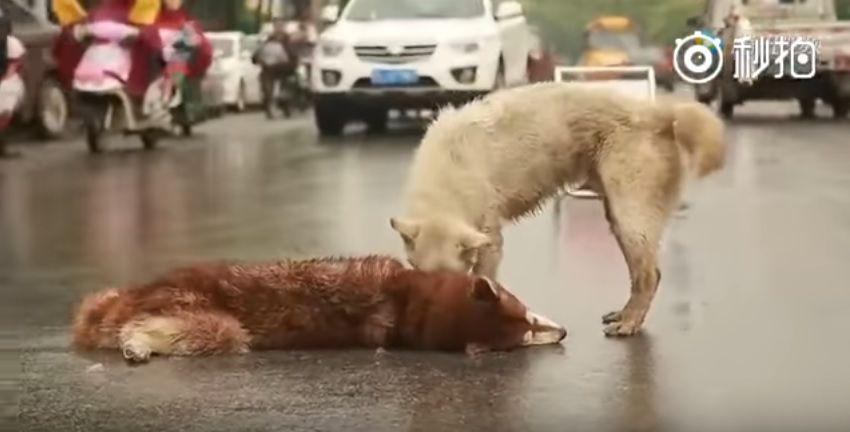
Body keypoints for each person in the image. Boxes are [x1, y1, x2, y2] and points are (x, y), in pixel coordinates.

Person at [253, 17, 297, 118]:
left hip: (285, 69)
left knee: (288, 84)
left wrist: (290, 62)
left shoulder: (289, 40)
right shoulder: (268, 39)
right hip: (270, 69)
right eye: (277, 25)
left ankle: (286, 106)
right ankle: (268, 107)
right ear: (274, 27)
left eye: (281, 25)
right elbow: (258, 53)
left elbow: (294, 54)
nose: (279, 28)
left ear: (284, 26)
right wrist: (259, 60)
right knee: (266, 85)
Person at [0, 14, 26, 159]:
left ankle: (2, 145)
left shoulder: (12, 44)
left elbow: (14, 65)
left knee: (5, 113)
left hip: (6, 81)